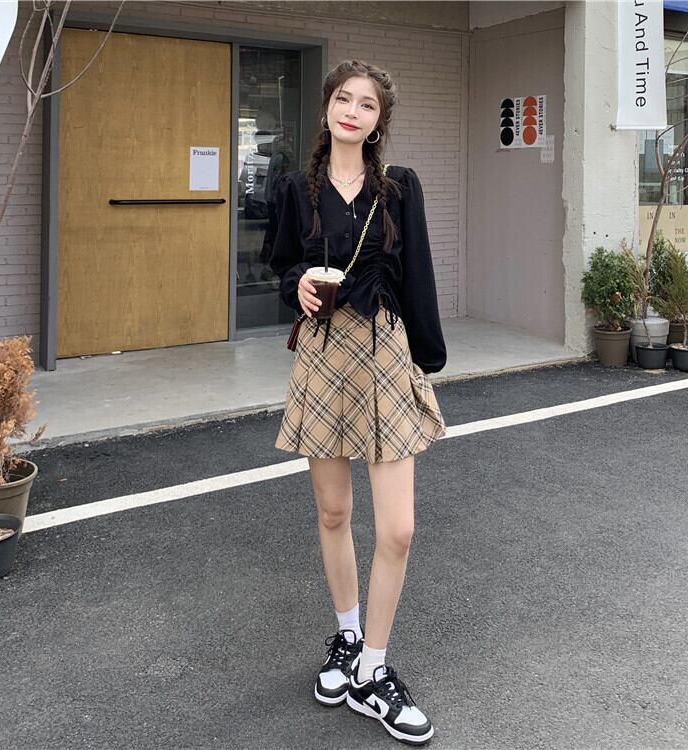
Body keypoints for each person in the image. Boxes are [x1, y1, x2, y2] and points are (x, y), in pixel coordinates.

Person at [269, 59, 446, 746]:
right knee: (334, 512)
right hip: (323, 355)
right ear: (327, 109)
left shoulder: (400, 188)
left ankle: (374, 669)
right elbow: (281, 262)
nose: (352, 111)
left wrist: (424, 360)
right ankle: (348, 638)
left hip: (385, 351)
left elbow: (419, 272)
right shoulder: (295, 188)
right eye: (343, 99)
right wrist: (296, 284)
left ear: (378, 122)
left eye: (366, 104)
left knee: (398, 529)